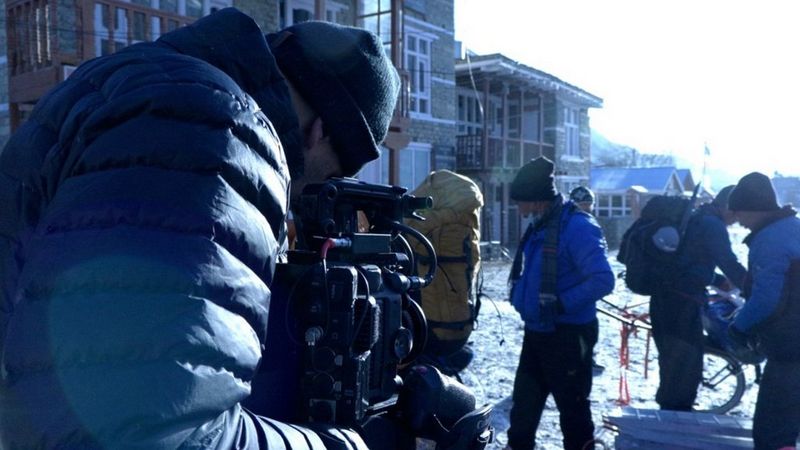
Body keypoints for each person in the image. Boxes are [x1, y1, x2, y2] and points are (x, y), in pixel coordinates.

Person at [0, 8, 405, 449]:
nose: (301, 199)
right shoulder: (215, 128)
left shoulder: (122, 83)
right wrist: (339, 445)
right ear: (320, 132)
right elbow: (155, 429)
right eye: (328, 178)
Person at [505, 157, 615, 450]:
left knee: (573, 412)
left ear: (536, 199)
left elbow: (603, 279)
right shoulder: (541, 225)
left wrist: (562, 304)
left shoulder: (577, 227)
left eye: (520, 201)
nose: (518, 208)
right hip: (537, 331)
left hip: (568, 336)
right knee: (523, 410)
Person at [647, 185, 748, 412]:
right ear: (727, 207)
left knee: (671, 359)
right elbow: (728, 262)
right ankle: (677, 412)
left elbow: (687, 262)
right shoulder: (713, 225)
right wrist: (751, 288)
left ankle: (670, 408)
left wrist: (714, 278)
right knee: (686, 360)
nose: (737, 220)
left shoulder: (697, 217)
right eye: (736, 213)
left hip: (663, 297)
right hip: (683, 302)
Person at [726, 172, 800, 450]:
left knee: (773, 431)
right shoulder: (792, 228)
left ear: (753, 208)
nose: (738, 220)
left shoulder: (771, 240)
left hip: (791, 346)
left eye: (739, 212)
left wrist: (738, 327)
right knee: (788, 424)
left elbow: (768, 298)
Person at [568, 185, 607, 376]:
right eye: (582, 205)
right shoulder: (581, 227)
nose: (586, 209)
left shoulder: (586, 224)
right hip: (577, 285)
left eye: (588, 205)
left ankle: (586, 358)